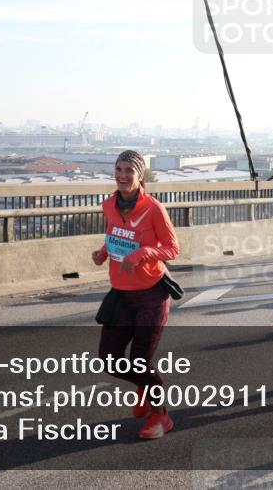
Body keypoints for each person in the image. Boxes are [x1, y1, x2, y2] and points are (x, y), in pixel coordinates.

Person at [92, 150, 180, 440]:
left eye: (129, 170)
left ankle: (161, 416)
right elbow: (114, 233)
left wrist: (145, 253)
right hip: (121, 293)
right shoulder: (109, 205)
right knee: (109, 358)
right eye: (118, 169)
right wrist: (104, 252)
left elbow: (172, 248)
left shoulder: (154, 208)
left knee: (141, 361)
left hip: (152, 295)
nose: (122, 175)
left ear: (140, 175)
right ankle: (144, 386)